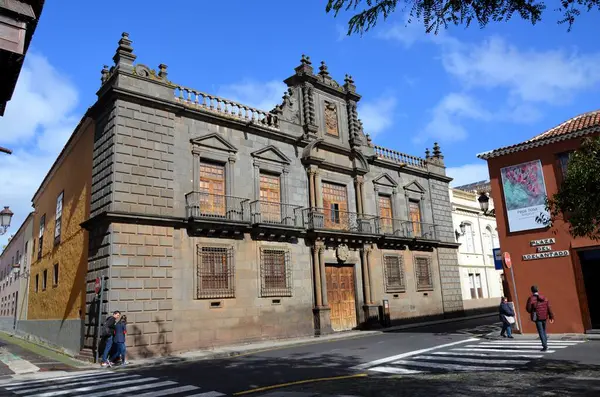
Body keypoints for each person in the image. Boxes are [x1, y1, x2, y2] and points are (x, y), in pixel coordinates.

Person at [526, 285, 554, 351]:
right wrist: (551, 316)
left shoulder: (531, 298)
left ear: (532, 291)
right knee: (544, 331)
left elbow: (528, 309)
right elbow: (548, 307)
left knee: (541, 331)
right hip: (544, 316)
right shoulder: (544, 297)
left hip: (537, 317)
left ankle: (545, 346)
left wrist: (533, 310)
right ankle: (546, 344)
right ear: (538, 290)